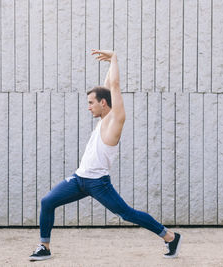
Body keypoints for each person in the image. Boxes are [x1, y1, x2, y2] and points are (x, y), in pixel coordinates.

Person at [29, 49, 182, 261]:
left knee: (127, 214)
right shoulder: (103, 118)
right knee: (47, 202)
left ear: (103, 103)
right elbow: (108, 87)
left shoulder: (115, 120)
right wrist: (110, 64)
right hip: (79, 179)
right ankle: (44, 246)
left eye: (91, 103)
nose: (88, 107)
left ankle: (170, 237)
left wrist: (116, 58)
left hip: (98, 183)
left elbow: (115, 87)